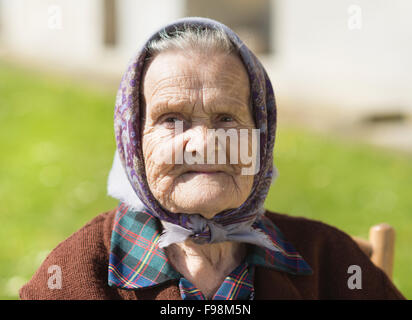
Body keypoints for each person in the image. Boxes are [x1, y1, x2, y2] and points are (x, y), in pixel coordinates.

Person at [19, 17, 405, 300]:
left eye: (226, 118)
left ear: (262, 138)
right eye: (171, 119)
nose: (203, 142)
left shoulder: (331, 262)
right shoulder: (75, 274)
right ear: (133, 141)